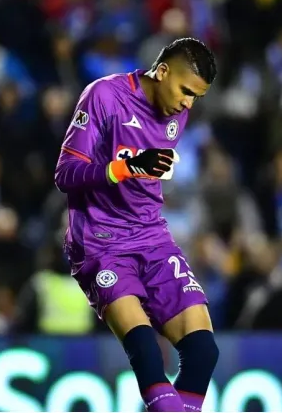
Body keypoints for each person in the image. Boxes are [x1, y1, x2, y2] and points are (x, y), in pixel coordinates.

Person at [54, 38, 219, 412]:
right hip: (100, 242)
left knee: (203, 351)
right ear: (162, 72)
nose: (187, 104)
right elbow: (65, 174)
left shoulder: (176, 111)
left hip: (152, 237)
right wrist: (124, 167)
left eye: (197, 97)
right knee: (146, 352)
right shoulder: (104, 96)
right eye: (185, 91)